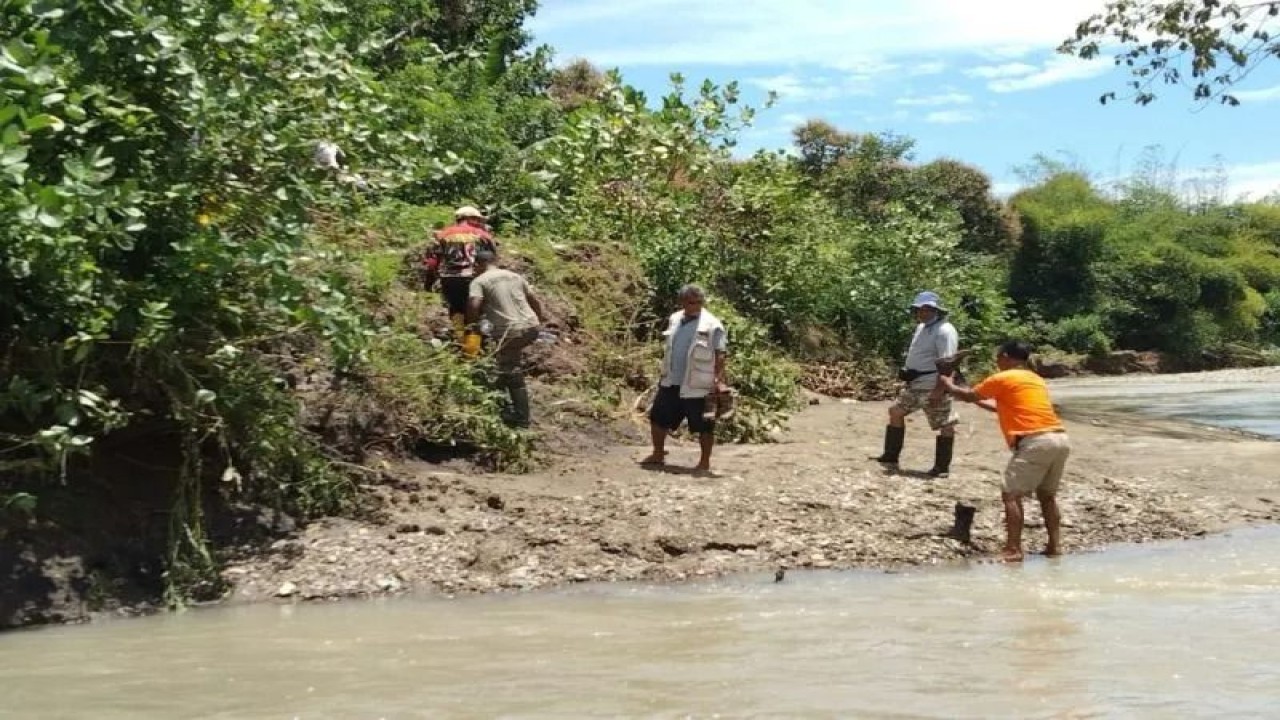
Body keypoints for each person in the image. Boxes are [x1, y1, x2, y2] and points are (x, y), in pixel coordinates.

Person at [938, 340, 1071, 562]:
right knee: (1047, 496)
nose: (997, 362)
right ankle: (1054, 546)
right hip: (1059, 438)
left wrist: (946, 382)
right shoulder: (1034, 379)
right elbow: (1000, 405)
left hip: (1035, 441)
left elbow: (969, 395)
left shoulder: (1003, 377)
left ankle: (1013, 550)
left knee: (1011, 494)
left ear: (1007, 357)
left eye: (998, 358)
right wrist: (968, 394)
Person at [640, 284, 728, 474]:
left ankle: (704, 462)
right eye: (691, 302)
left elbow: (720, 354)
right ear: (682, 302)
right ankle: (658, 453)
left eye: (699, 302)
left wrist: (718, 381)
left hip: (698, 384)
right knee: (658, 417)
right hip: (671, 380)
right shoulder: (675, 319)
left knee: (704, 424)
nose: (695, 305)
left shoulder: (713, 325)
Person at [871, 290, 961, 477]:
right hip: (916, 382)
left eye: (927, 309)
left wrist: (939, 390)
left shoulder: (944, 331)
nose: (922, 312)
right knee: (895, 412)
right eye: (919, 309)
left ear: (936, 310)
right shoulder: (922, 327)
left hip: (932, 383)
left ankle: (942, 467)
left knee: (945, 424)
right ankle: (890, 456)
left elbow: (948, 363)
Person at [467, 250, 545, 428]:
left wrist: (472, 327)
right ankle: (502, 403)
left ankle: (521, 418)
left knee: (510, 370)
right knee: (503, 363)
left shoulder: (479, 281)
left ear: (478, 264)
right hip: (531, 327)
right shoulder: (514, 276)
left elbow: (474, 304)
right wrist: (538, 321)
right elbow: (534, 301)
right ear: (495, 261)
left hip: (509, 331)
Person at [422, 206, 498, 356]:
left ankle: (461, 342)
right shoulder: (483, 235)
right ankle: (472, 353)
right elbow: (491, 259)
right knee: (476, 314)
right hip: (475, 279)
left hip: (450, 279)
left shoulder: (443, 235)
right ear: (473, 219)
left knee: (456, 312)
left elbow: (432, 262)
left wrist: (429, 282)